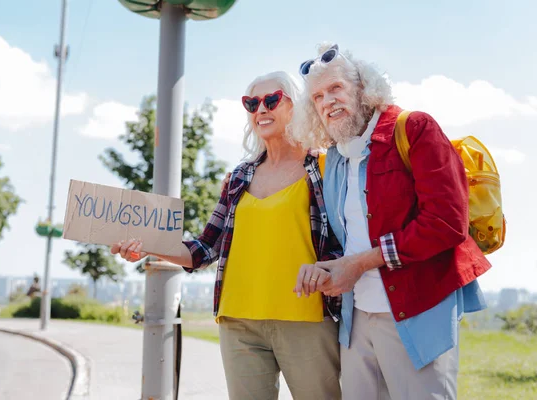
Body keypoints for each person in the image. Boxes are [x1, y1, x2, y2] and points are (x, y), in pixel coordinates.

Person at [112, 71, 343, 400]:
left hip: (305, 319)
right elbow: (204, 248)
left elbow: (344, 242)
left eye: (271, 100)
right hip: (239, 322)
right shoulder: (239, 176)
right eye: (251, 103)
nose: (260, 109)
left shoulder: (323, 167)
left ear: (297, 105)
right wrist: (146, 245)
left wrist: (328, 269)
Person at [292, 43, 492, 400]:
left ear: (362, 88)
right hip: (356, 320)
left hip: (417, 313)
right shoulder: (336, 155)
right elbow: (349, 238)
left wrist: (360, 263)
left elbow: (446, 222)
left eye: (336, 88)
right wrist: (329, 268)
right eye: (318, 96)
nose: (328, 101)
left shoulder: (415, 128)